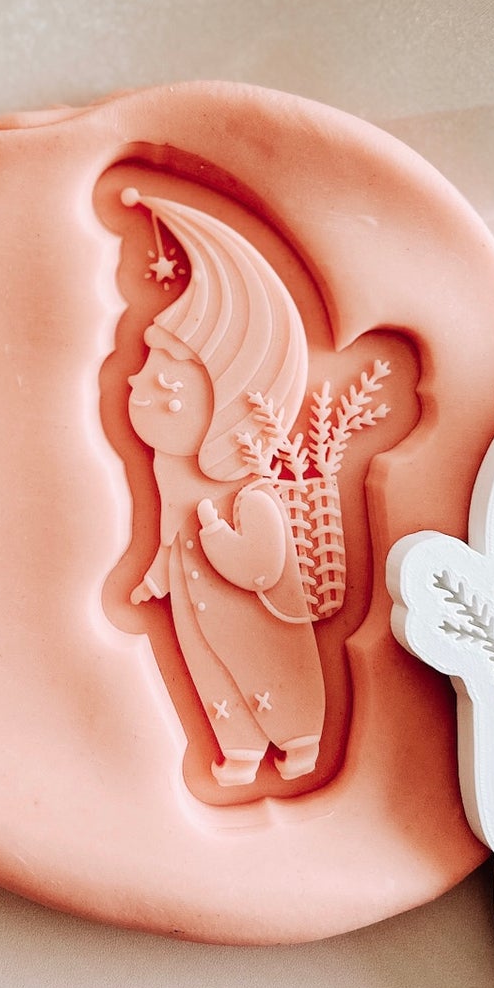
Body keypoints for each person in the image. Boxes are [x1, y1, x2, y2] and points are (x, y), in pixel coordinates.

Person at [121, 188, 326, 786]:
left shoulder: (254, 495)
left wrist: (214, 535)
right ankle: (237, 749)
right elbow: (165, 539)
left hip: (251, 621)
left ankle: (300, 741)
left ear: (223, 404)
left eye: (162, 377)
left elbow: (261, 568)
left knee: (263, 673)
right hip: (196, 614)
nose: (137, 379)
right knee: (212, 676)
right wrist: (157, 574)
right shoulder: (170, 474)